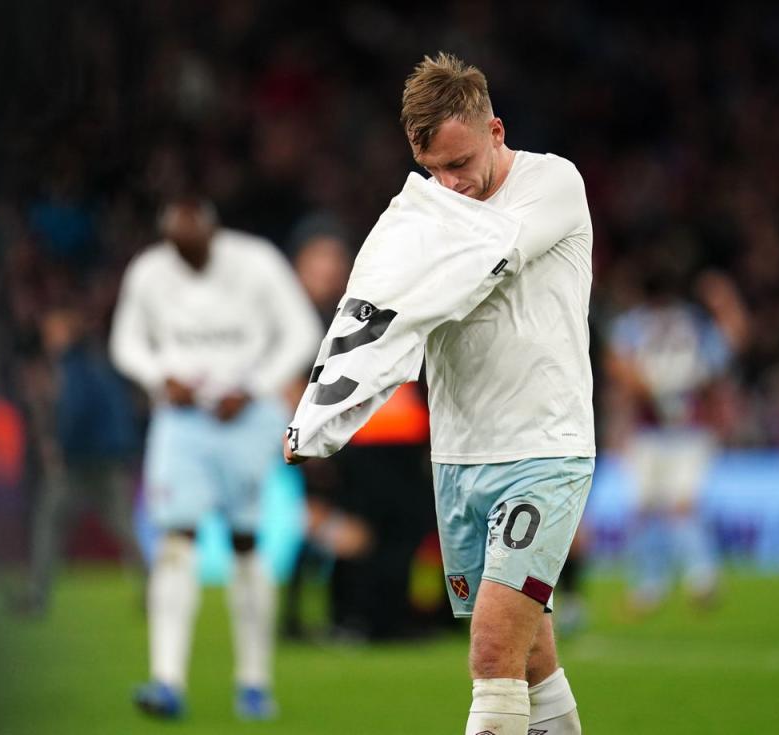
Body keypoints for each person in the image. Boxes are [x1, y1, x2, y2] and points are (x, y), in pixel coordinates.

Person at [285, 53, 594, 735]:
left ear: (496, 130)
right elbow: (372, 310)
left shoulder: (554, 184)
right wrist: (320, 415)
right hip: (456, 456)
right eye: (434, 172)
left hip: (542, 448)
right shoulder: (423, 213)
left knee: (490, 650)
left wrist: (417, 232)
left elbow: (473, 263)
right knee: (531, 653)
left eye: (460, 164)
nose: (451, 185)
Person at [110, 196, 321, 720]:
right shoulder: (150, 272)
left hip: (246, 419)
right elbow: (125, 343)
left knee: (245, 540)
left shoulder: (256, 262)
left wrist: (253, 387)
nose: (187, 257)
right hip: (181, 422)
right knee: (176, 537)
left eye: (195, 246)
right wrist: (162, 376)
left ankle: (253, 681)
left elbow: (301, 332)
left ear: (212, 231)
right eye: (178, 248)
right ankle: (167, 681)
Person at [605, 268, 748, 612]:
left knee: (666, 507)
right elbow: (728, 347)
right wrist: (726, 303)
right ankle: (668, 583)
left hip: (661, 428)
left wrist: (649, 388)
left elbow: (617, 365)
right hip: (679, 426)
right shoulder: (693, 322)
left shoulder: (634, 323)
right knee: (664, 507)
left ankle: (689, 579)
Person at [10, 305, 143, 617]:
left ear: (66, 334)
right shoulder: (97, 362)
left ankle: (37, 595)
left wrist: (60, 448)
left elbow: (75, 411)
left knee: (49, 520)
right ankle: (155, 591)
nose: (48, 338)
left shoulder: (74, 367)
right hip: (107, 456)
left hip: (84, 460)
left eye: (53, 331)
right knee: (122, 527)